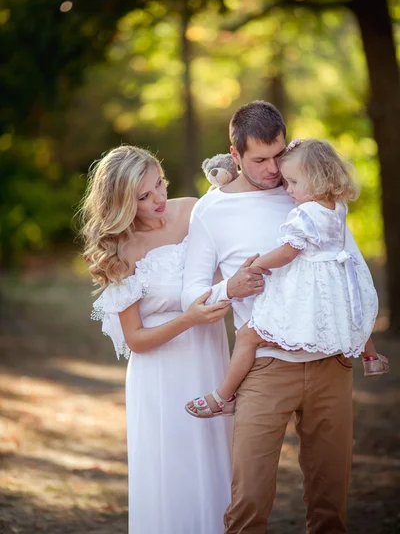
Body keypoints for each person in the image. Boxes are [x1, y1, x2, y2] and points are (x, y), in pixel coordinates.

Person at [181, 100, 372, 533]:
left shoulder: (309, 188)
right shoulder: (211, 211)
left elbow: (348, 264)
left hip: (330, 364)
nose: (272, 170)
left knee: (329, 507)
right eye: (259, 160)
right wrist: (229, 289)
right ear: (235, 156)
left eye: (278, 155)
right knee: (248, 504)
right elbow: (190, 296)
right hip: (264, 366)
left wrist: (363, 341)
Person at [79, 144, 233, 534]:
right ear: (121, 203)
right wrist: (190, 318)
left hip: (210, 358)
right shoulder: (121, 249)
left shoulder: (195, 210)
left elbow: (227, 263)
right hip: (161, 373)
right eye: (144, 197)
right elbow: (135, 339)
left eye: (159, 185)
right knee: (173, 469)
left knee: (217, 460)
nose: (159, 200)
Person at [185, 137, 388, 421]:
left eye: (292, 182)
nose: (286, 188)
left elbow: (286, 253)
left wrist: (256, 265)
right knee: (354, 308)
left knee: (247, 336)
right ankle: (371, 358)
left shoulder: (304, 213)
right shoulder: (337, 206)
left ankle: (223, 396)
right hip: (336, 282)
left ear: (315, 181)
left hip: (302, 291)